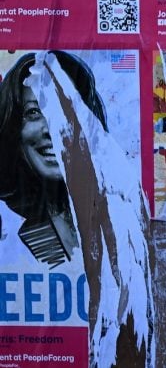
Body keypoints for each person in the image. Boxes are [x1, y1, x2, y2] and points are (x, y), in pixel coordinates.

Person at [0, 51, 107, 267]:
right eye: (33, 112)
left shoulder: (118, 224)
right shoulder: (12, 236)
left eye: (65, 108)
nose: (51, 128)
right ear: (14, 133)